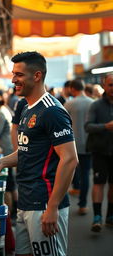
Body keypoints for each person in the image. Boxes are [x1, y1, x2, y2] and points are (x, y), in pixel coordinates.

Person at [0, 51, 78, 256]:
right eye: (13, 74)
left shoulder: (52, 111)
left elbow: (69, 159)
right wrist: (2, 162)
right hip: (26, 201)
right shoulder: (27, 107)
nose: (14, 79)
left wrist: (52, 206)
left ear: (37, 76)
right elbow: (26, 150)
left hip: (43, 203)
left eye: (19, 75)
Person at [85, 73, 113, 232]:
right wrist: (106, 127)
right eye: (110, 85)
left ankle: (110, 215)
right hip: (100, 151)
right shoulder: (95, 105)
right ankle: (97, 217)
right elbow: (87, 126)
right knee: (99, 183)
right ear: (104, 86)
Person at [64, 79, 94, 215]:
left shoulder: (69, 104)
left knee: (69, 171)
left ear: (72, 88)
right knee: (86, 173)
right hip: (88, 144)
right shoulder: (93, 103)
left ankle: (62, 202)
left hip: (71, 145)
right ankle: (83, 204)